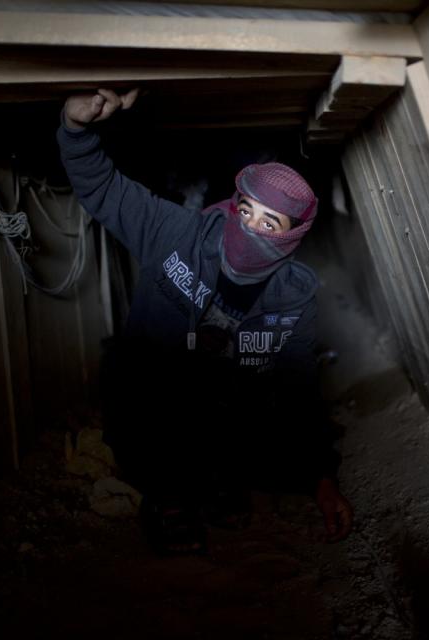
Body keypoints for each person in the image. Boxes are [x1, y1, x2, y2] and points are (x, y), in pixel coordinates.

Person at [58, 88, 353, 554]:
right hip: (150, 397)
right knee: (147, 376)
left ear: (289, 237)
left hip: (220, 404)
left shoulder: (292, 297)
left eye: (269, 224)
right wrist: (75, 129)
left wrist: (321, 480)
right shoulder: (179, 234)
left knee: (249, 400)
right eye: (246, 210)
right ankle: (167, 499)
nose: (250, 228)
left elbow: (298, 393)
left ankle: (218, 482)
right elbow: (102, 189)